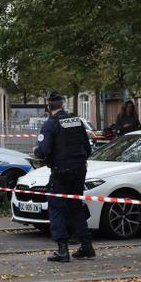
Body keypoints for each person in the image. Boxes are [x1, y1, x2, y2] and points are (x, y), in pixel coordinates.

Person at [34, 92, 94, 263]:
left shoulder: (50, 125)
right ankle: (86, 246)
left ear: (48, 107)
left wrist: (37, 152)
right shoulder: (76, 121)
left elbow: (43, 151)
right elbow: (87, 149)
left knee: (56, 207)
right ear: (63, 105)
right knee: (76, 206)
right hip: (79, 170)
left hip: (61, 172)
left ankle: (62, 250)